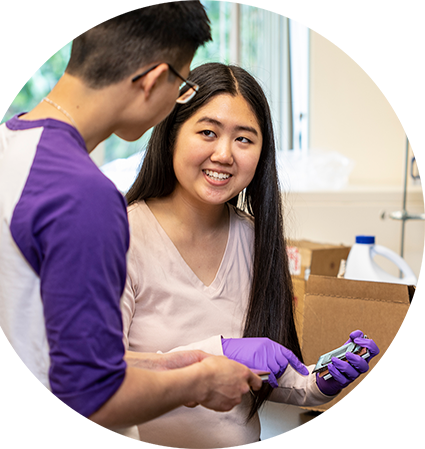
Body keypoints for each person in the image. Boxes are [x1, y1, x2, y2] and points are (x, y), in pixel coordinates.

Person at [0, 4, 263, 449]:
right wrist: (202, 380)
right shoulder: (83, 196)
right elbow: (97, 390)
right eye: (182, 86)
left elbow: (53, 345)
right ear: (152, 79)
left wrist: (174, 364)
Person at [123, 62, 380, 448]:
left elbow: (263, 379)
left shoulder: (256, 239)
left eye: (244, 139)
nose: (224, 154)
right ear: (172, 134)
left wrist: (315, 382)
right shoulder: (119, 236)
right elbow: (99, 373)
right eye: (207, 132)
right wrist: (220, 352)